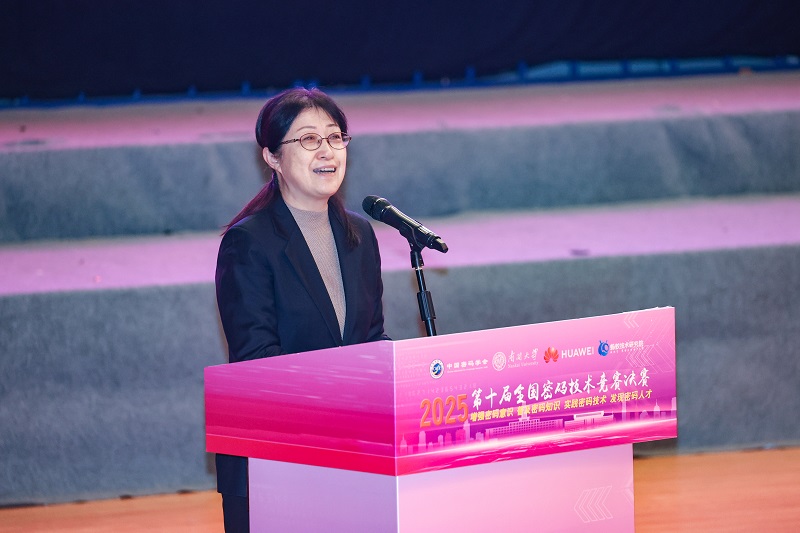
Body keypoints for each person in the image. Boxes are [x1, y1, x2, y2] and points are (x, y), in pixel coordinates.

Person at [214, 87, 390, 532]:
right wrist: (347, 392)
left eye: (335, 137)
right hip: (274, 460)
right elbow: (256, 362)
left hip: (351, 454)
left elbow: (370, 339)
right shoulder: (248, 243)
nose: (327, 150)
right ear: (272, 157)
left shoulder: (360, 236)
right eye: (309, 139)